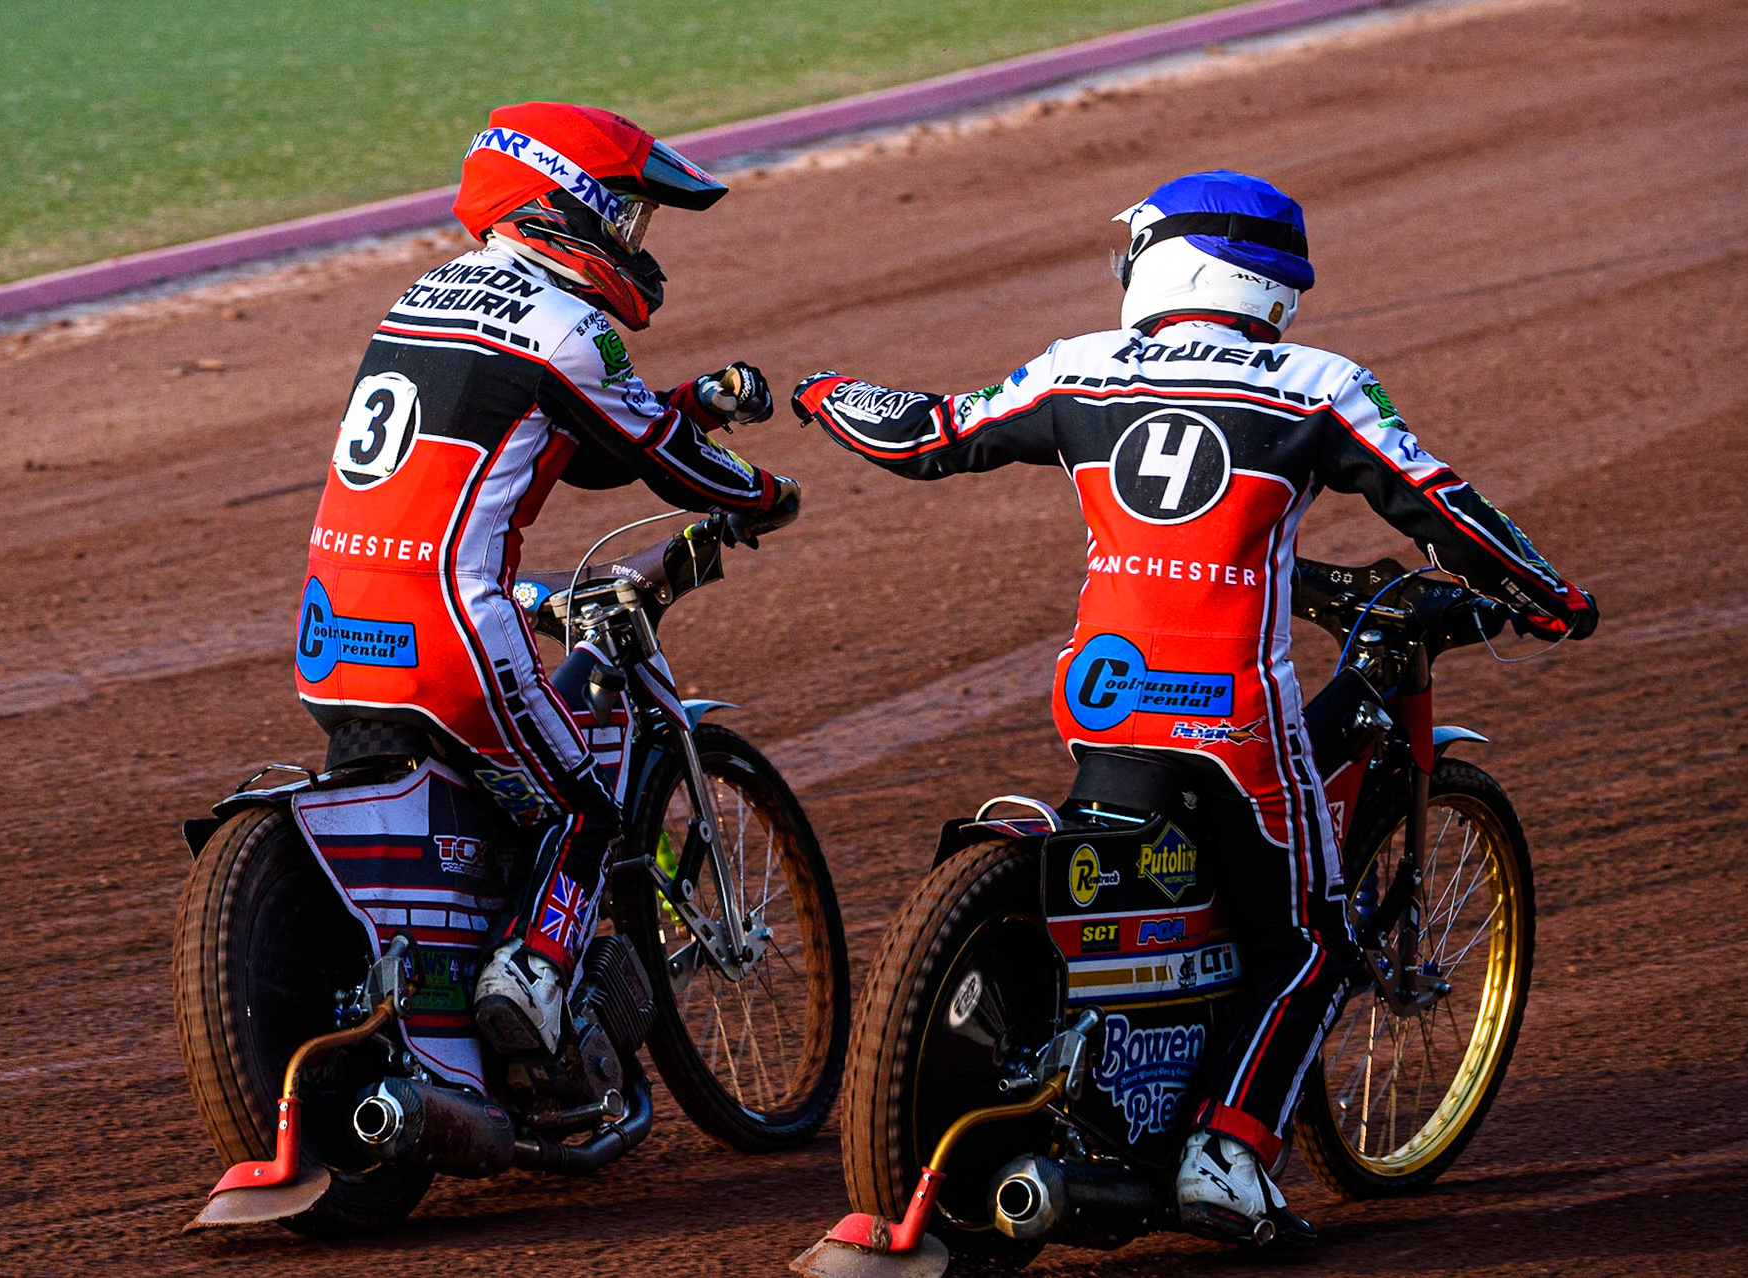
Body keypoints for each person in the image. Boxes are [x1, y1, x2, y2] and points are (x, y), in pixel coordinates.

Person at [790, 170, 1595, 1244]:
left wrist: (821, 389)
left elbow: (928, 435)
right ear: (1270, 283)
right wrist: (1552, 601)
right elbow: (1439, 505)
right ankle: (1228, 1155)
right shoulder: (1318, 384)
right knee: (1311, 938)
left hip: (1099, 698)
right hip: (1233, 720)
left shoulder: (1077, 367)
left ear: (1169, 260)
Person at [295, 102, 799, 1060]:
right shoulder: (564, 322)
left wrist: (693, 401)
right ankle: (527, 976)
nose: (636, 241)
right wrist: (767, 492)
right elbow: (663, 463)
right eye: (624, 212)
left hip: (334, 626)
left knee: (493, 797)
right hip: (449, 626)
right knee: (585, 805)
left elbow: (569, 441)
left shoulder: (423, 296)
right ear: (561, 204)